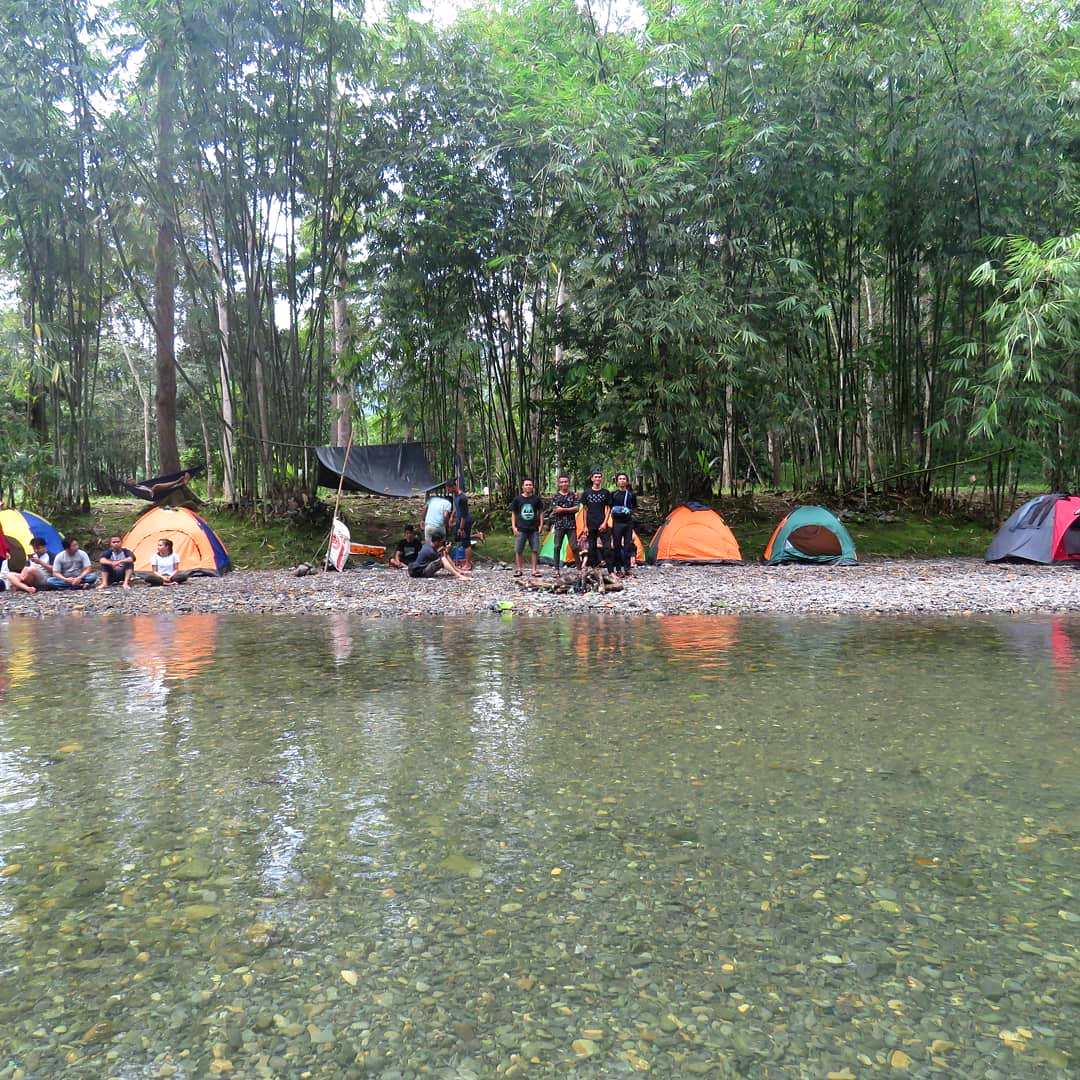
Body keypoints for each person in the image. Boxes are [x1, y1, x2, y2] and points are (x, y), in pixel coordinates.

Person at [510, 477, 544, 577]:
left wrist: (541, 525)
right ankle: (519, 569)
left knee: (535, 549)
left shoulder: (536, 499)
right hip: (521, 528)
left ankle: (534, 570)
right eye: (526, 485)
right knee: (519, 549)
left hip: (534, 528)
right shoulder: (517, 499)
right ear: (522, 487)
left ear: (533, 486)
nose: (528, 486)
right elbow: (513, 513)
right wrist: (513, 526)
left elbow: (541, 512)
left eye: (530, 485)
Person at [548, 473, 580, 578]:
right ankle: (556, 569)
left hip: (571, 525)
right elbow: (555, 510)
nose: (564, 484)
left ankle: (579, 569)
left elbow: (577, 509)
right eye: (562, 482)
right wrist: (566, 510)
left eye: (566, 481)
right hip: (559, 525)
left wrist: (563, 510)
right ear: (558, 483)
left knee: (574, 547)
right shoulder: (555, 496)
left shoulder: (573, 495)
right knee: (557, 547)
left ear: (569, 483)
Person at [449, 482, 484, 571]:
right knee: (458, 538)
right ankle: (477, 536)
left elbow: (464, 515)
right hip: (458, 520)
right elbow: (456, 507)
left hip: (465, 521)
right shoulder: (455, 496)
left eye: (449, 488)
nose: (448, 491)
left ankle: (468, 564)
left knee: (466, 542)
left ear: (454, 487)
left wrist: (461, 528)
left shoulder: (462, 498)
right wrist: (452, 517)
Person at [580, 470, 611, 570]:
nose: (597, 479)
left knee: (607, 548)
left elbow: (608, 509)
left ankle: (611, 571)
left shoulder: (606, 492)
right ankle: (594, 569)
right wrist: (585, 526)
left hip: (602, 523)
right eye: (595, 477)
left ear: (601, 479)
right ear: (592, 478)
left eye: (599, 477)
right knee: (592, 548)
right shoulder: (586, 493)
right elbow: (584, 510)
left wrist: (605, 523)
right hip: (590, 523)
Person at [610, 472, 638, 578]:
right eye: (620, 479)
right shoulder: (613, 494)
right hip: (617, 523)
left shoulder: (631, 494)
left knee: (627, 545)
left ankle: (627, 569)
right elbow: (609, 508)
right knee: (617, 546)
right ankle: (617, 569)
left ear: (627, 481)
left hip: (628, 523)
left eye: (624, 479)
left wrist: (629, 511)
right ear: (617, 482)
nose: (622, 480)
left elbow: (634, 507)